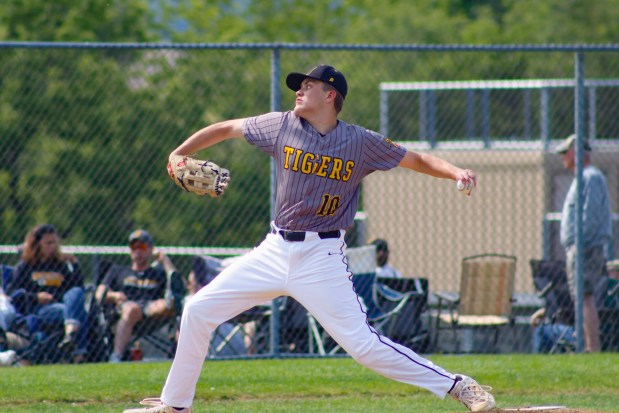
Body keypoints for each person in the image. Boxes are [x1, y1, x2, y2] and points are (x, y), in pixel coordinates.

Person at [123, 64, 495, 412]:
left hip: (322, 256)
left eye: (308, 86)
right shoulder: (281, 125)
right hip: (274, 249)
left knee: (364, 346)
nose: (299, 91)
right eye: (299, 87)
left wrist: (455, 172)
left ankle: (458, 386)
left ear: (331, 95)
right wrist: (180, 153)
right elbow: (225, 128)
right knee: (198, 310)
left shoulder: (359, 142)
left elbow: (413, 158)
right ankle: (175, 404)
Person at [556, 134, 612, 353]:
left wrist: (580, 243)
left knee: (584, 295)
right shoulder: (583, 177)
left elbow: (590, 215)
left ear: (575, 153)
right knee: (581, 295)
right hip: (580, 247)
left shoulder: (591, 177)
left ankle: (591, 346)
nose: (562, 158)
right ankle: (587, 345)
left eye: (564, 153)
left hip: (585, 246)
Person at [7, 224, 89, 364]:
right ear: (37, 244)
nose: (53, 246)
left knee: (75, 294)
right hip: (39, 310)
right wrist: (36, 297)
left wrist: (74, 264)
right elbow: (13, 292)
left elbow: (78, 289)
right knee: (79, 313)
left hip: (63, 305)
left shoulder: (61, 264)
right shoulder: (26, 265)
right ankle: (79, 354)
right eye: (48, 243)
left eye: (55, 242)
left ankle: (70, 333)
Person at [96, 229, 179, 363]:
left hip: (151, 311)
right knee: (132, 309)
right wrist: (115, 295)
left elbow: (177, 284)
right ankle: (116, 357)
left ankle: (182, 355)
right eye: (134, 247)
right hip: (126, 309)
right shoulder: (118, 270)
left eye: (142, 247)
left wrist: (164, 260)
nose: (138, 251)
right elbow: (99, 293)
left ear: (151, 249)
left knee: (172, 304)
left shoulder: (158, 273)